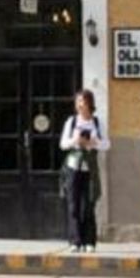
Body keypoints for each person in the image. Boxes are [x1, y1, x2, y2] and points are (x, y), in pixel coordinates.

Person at [57, 90, 107, 251]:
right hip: (73, 167)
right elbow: (63, 144)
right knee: (73, 204)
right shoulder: (71, 122)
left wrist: (94, 143)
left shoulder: (97, 122)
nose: (80, 105)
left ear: (89, 104)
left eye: (83, 102)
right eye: (78, 101)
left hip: (89, 169)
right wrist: (75, 141)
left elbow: (107, 144)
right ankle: (75, 241)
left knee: (88, 204)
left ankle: (89, 241)